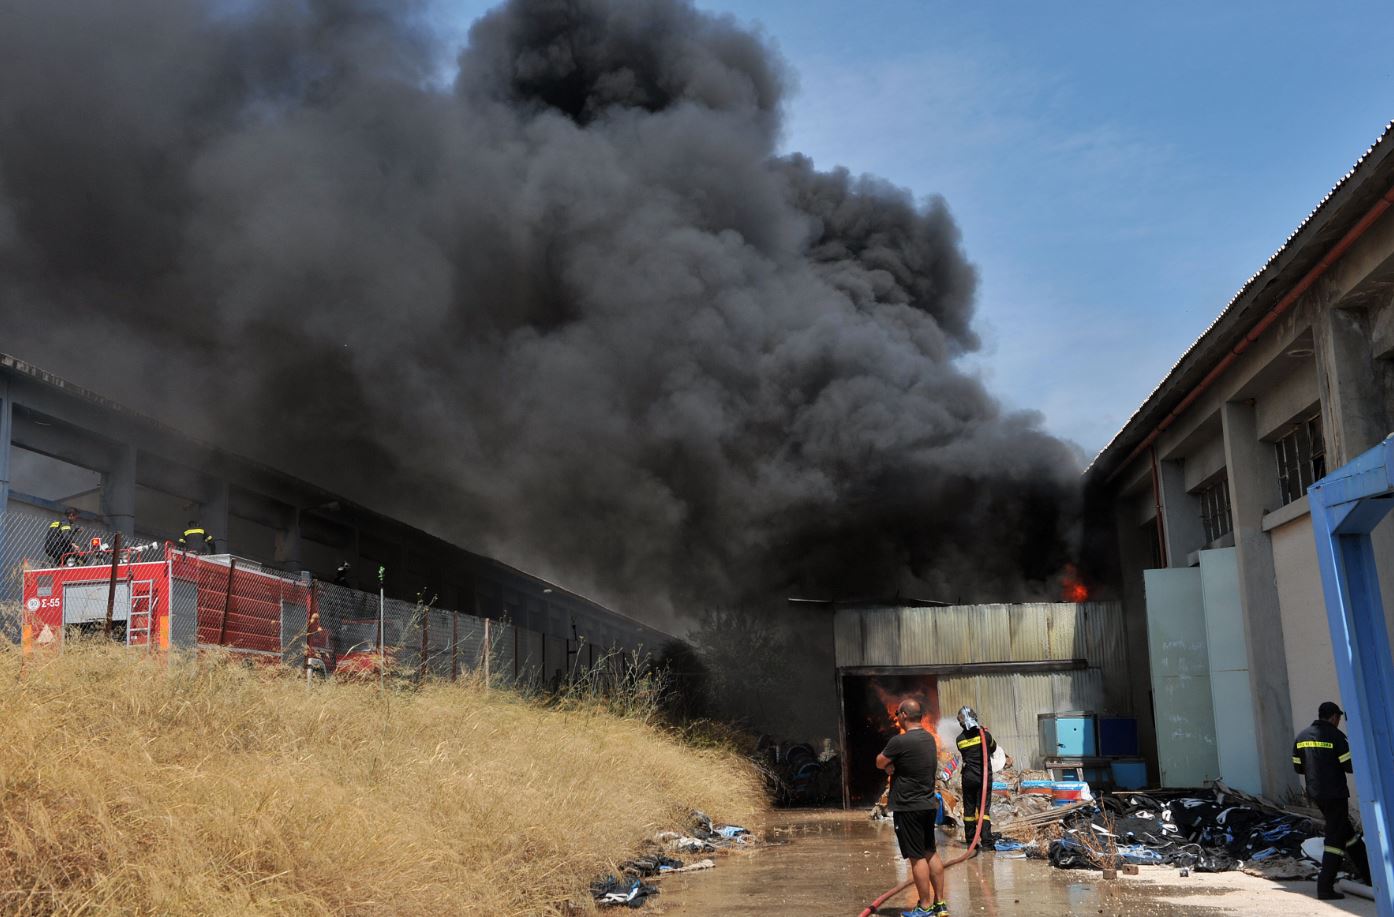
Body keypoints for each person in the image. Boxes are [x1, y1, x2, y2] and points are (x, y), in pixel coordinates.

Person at [876, 699, 949, 917]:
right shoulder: (928, 739)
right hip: (928, 805)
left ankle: (924, 906)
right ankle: (940, 904)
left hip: (909, 807)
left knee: (917, 857)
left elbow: (879, 762)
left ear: (905, 715)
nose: (896, 716)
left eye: (898, 713)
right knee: (931, 852)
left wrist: (890, 766)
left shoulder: (900, 742)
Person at [1292, 701, 1372, 899]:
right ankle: (1325, 887)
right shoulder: (1336, 737)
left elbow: (1298, 767)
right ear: (1334, 717)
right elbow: (1350, 765)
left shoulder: (1301, 737)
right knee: (1335, 841)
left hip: (1317, 795)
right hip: (1335, 795)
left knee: (1348, 835)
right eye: (1338, 718)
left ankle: (1370, 876)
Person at [954, 706, 1010, 849]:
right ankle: (986, 842)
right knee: (983, 810)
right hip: (983, 778)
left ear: (961, 723)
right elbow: (993, 749)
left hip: (968, 778)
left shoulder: (959, 740)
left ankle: (970, 841)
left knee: (969, 810)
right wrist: (984, 732)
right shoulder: (985, 736)